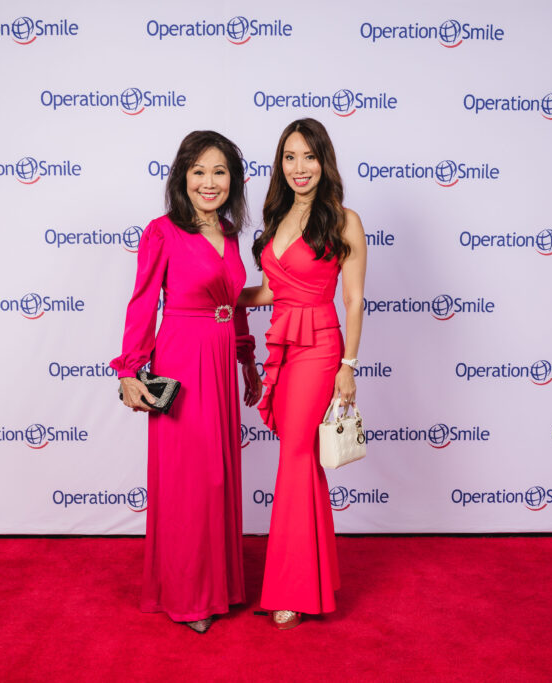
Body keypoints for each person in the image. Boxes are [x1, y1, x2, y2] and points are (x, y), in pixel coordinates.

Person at [111, 130, 263, 634]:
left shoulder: (230, 232)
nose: (209, 182)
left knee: (217, 477)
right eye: (199, 171)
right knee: (187, 481)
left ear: (233, 180)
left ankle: (218, 587)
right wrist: (130, 368)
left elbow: (232, 303)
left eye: (219, 171)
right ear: (182, 177)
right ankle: (187, 595)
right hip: (182, 357)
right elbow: (142, 302)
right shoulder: (162, 232)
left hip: (219, 359)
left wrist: (246, 359)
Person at [238, 118, 367, 629]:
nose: (299, 167)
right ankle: (313, 578)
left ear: (323, 161)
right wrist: (220, 295)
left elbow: (353, 299)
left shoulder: (344, 220)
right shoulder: (278, 218)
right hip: (285, 345)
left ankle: (290, 589)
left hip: (320, 348)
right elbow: (273, 291)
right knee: (301, 460)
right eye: (290, 157)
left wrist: (348, 366)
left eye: (309, 157)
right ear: (281, 164)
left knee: (294, 455)